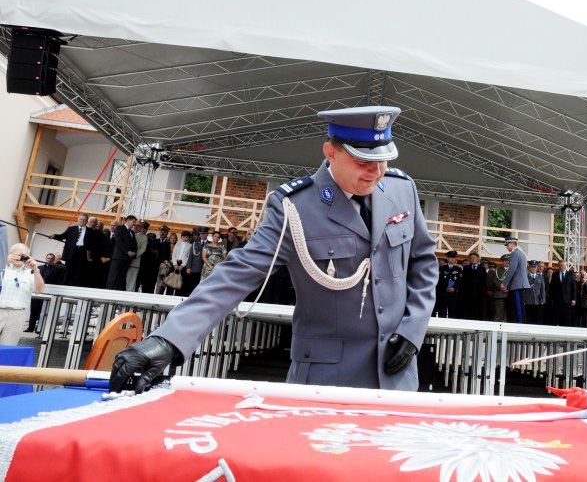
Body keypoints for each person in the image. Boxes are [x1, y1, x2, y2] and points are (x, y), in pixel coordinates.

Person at [111, 106, 437, 393]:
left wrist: (412, 330)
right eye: (363, 160)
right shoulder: (296, 207)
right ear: (331, 152)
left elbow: (423, 262)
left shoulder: (401, 189)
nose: (375, 171)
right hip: (326, 382)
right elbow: (238, 273)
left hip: (396, 377)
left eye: (382, 159)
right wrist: (168, 340)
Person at [0, 244, 45, 345]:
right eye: (17, 254)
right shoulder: (2, 268)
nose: (20, 257)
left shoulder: (30, 273)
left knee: (8, 348)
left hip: (17, 315)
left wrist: (36, 270)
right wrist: (4, 262)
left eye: (24, 255)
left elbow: (40, 290)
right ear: (10, 254)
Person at [50, 214, 91, 287]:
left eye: (84, 220)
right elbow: (62, 236)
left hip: (82, 253)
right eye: (81, 219)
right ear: (78, 220)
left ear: (87, 221)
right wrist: (55, 236)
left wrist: (89, 255)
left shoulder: (90, 231)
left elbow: (92, 244)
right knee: (68, 271)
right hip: (70, 253)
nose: (82, 221)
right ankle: (65, 287)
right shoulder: (71, 229)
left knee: (78, 272)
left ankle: (75, 288)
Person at [106, 215, 137, 291]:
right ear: (128, 220)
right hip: (119, 257)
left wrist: (134, 252)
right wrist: (127, 251)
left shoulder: (132, 232)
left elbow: (134, 244)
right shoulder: (120, 228)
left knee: (122, 277)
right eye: (133, 222)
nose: (134, 224)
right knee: (113, 276)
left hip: (127, 259)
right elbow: (119, 241)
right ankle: (108, 292)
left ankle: (118, 293)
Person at [503, 237, 529, 324]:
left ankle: (520, 325)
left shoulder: (515, 253)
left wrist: (505, 283)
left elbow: (512, 269)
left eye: (507, 245)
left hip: (517, 284)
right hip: (518, 284)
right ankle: (519, 324)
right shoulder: (521, 253)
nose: (507, 247)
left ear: (511, 244)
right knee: (517, 306)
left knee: (518, 307)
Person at [460, 252, 486, 320]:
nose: (472, 259)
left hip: (479, 294)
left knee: (477, 312)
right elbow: (463, 281)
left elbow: (484, 281)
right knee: (467, 312)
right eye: (471, 258)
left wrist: (483, 292)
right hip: (467, 295)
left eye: (474, 258)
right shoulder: (466, 268)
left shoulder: (482, 269)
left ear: (478, 259)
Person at [125, 222, 148, 292]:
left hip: (135, 261)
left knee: (131, 281)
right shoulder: (128, 233)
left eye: (138, 226)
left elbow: (142, 249)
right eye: (134, 225)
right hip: (124, 260)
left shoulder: (144, 237)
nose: (135, 227)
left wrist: (133, 255)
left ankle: (128, 297)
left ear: (141, 228)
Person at [442, 251, 463, 319]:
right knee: (442, 311)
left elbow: (459, 281)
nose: (452, 259)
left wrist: (454, 288)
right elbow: (440, 280)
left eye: (454, 258)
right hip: (444, 293)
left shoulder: (458, 269)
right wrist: (445, 288)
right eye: (451, 257)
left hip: (453, 294)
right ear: (447, 258)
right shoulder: (442, 268)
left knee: (452, 311)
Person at [485, 257, 507, 322]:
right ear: (502, 262)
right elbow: (495, 281)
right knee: (498, 314)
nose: (507, 262)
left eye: (509, 260)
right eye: (505, 261)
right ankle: (495, 331)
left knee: (509, 315)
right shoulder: (497, 270)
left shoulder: (513, 270)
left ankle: (506, 331)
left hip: (511, 295)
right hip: (500, 295)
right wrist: (502, 287)